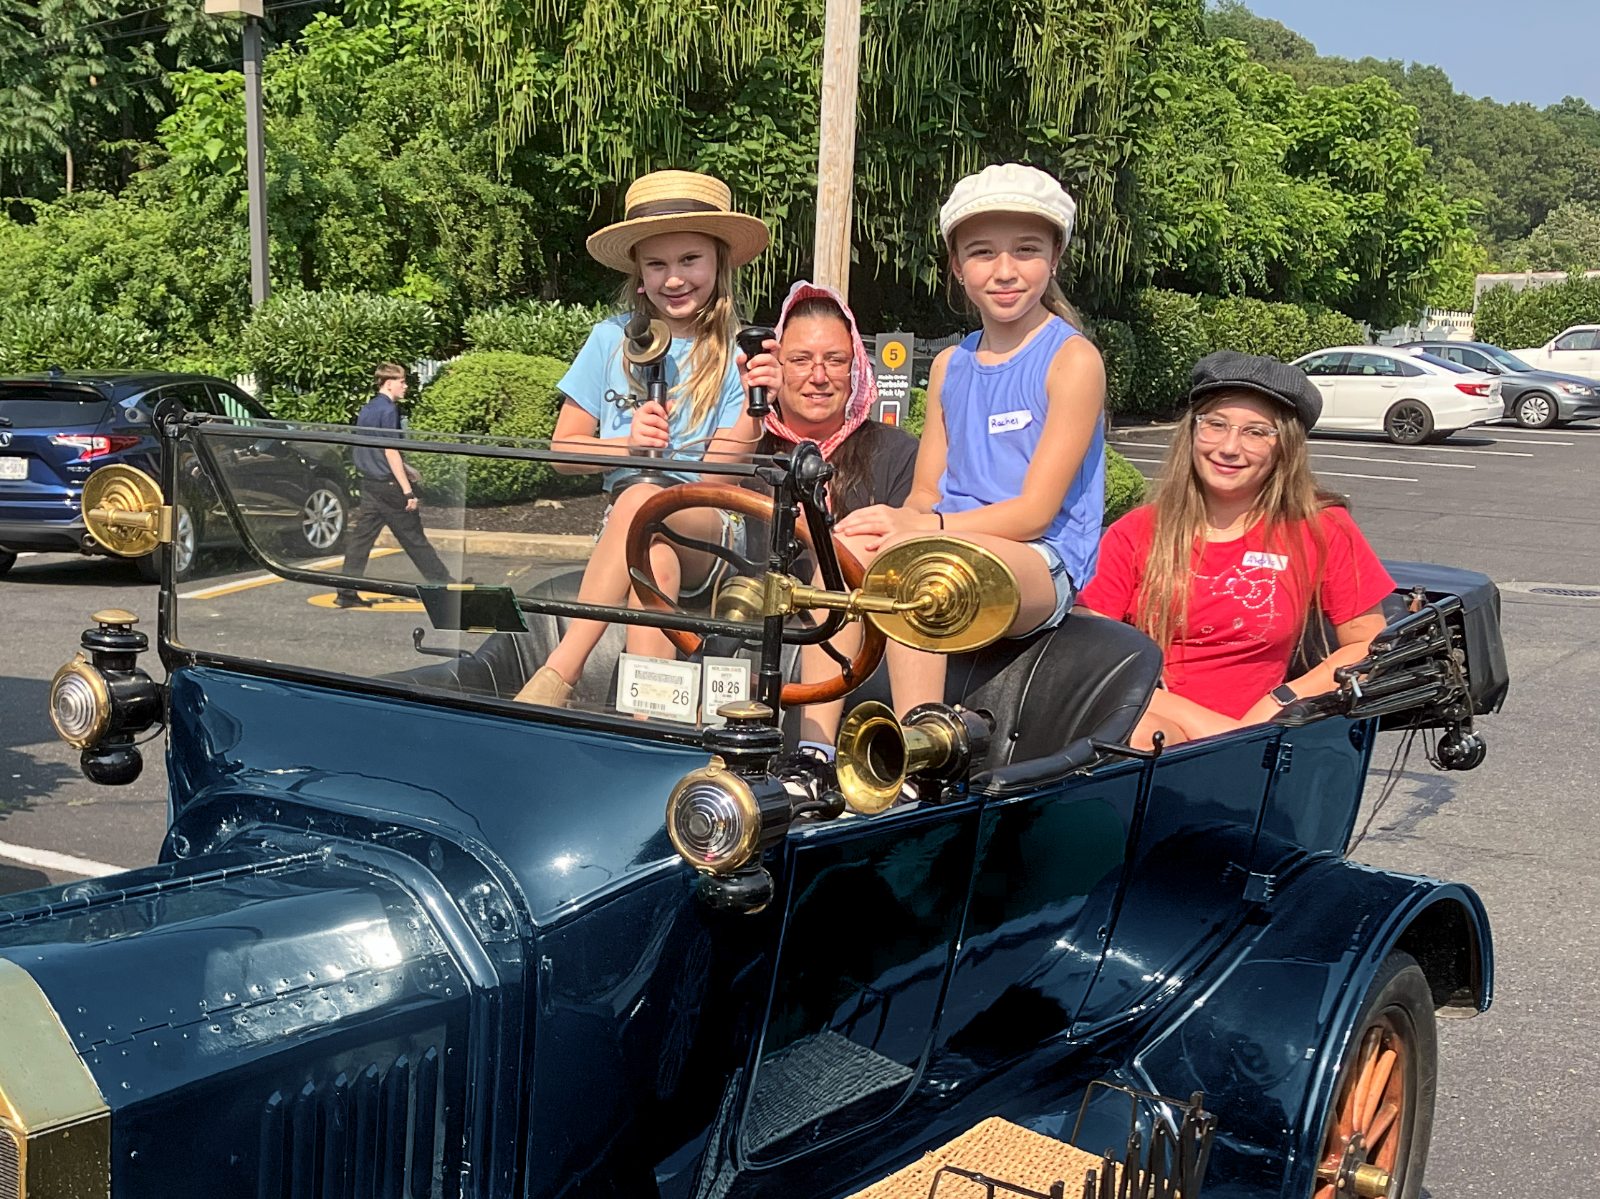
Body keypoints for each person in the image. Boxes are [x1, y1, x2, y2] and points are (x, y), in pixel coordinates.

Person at [829, 162, 1108, 723]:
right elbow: (925, 493)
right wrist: (891, 522)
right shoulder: (950, 365)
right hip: (949, 538)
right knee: (838, 557)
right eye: (983, 253)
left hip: (1040, 559)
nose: (1005, 271)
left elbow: (1035, 513)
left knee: (923, 568)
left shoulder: (1073, 359)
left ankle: (920, 743)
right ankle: (812, 748)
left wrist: (925, 530)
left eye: (1026, 250)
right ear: (957, 266)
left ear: (1055, 257)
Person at [515, 169, 769, 707]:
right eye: (657, 264)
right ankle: (650, 719)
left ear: (719, 263)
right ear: (638, 274)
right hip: (631, 531)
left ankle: (559, 672)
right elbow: (563, 452)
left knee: (643, 498)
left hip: (707, 524)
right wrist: (624, 447)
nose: (673, 278)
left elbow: (720, 480)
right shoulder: (608, 340)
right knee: (654, 559)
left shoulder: (734, 351)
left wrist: (754, 409)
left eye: (689, 260)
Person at [1075, 350, 1396, 748]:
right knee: (1142, 737)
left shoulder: (1320, 529)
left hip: (1262, 738)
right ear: (1193, 431)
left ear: (1285, 447)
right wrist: (1215, 730)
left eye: (1256, 432)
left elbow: (1368, 646)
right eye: (1216, 424)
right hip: (1152, 724)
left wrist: (1281, 700)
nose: (1229, 447)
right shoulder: (1136, 532)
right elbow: (1090, 660)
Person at [728, 280, 921, 742]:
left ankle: (819, 750)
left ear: (856, 369)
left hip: (859, 634)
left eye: (835, 360)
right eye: (800, 360)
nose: (818, 376)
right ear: (775, 366)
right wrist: (751, 410)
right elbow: (699, 500)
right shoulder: (748, 446)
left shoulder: (898, 453)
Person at [337, 363, 451, 607]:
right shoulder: (389, 410)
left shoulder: (368, 408)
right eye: (402, 381)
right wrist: (407, 491)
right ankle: (444, 586)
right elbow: (390, 450)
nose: (405, 386)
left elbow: (374, 447)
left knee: (361, 540)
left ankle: (345, 592)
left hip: (370, 484)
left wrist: (406, 468)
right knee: (414, 538)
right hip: (389, 487)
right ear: (389, 383)